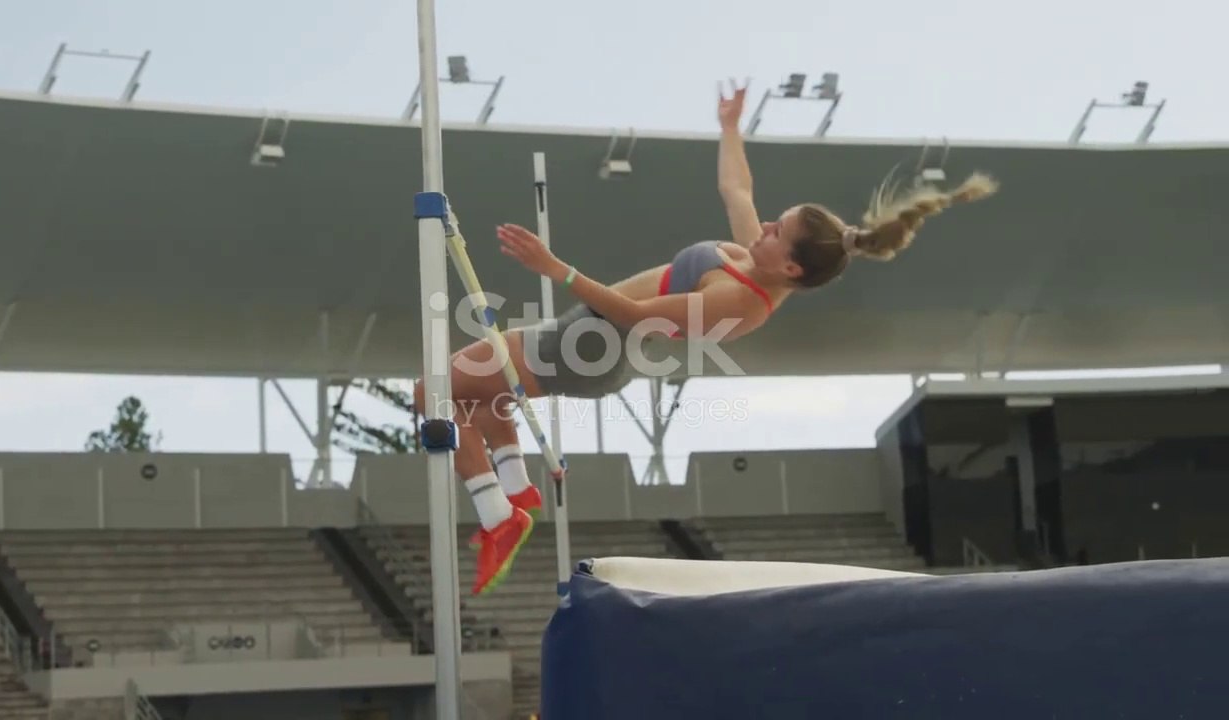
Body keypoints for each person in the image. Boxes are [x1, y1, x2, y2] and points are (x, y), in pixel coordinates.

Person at [413, 80, 998, 595]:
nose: (764, 226)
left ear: (792, 268)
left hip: (591, 342)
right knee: (479, 395)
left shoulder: (740, 300)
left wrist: (556, 268)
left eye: (777, 231)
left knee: (429, 391)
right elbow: (738, 191)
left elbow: (637, 314)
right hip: (590, 341)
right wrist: (730, 127)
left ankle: (498, 516)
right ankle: (514, 491)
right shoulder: (753, 258)